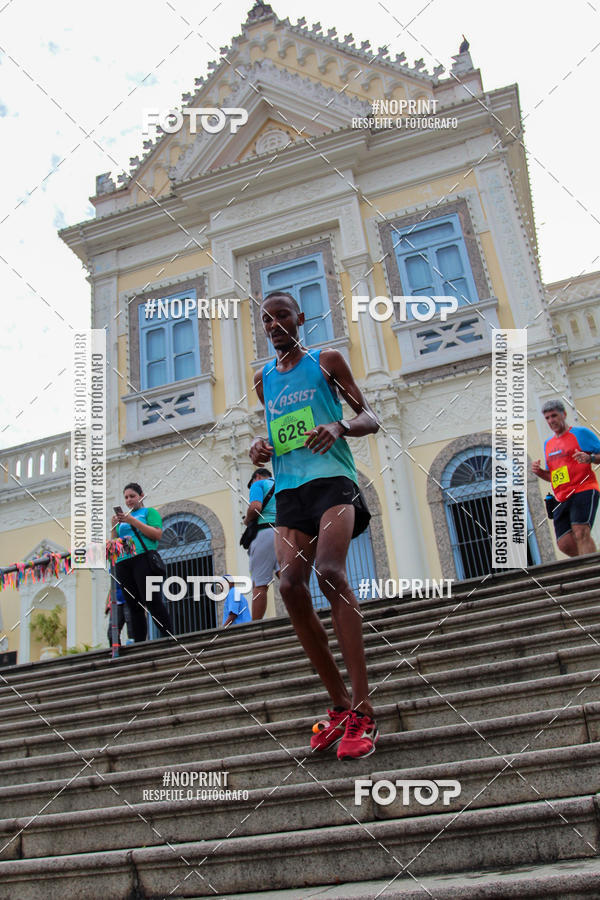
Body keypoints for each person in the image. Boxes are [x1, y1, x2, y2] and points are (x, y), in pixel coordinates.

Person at [249, 290, 380, 760]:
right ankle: (340, 707)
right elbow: (278, 433)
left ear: (299, 319)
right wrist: (261, 448)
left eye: (282, 316)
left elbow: (370, 417)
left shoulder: (326, 360)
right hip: (290, 493)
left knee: (331, 571)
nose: (275, 324)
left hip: (333, 483)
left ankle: (364, 711)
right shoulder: (264, 380)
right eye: (267, 319)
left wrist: (339, 427)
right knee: (288, 586)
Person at [532, 399, 600, 557]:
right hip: (562, 496)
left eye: (554, 416)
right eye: (547, 418)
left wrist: (589, 458)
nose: (551, 420)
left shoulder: (580, 433)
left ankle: (590, 573)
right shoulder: (548, 444)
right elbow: (553, 476)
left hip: (584, 488)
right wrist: (540, 472)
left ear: (564, 414)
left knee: (580, 531)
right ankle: (591, 563)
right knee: (564, 543)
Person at [111, 483, 174, 642]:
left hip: (143, 559)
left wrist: (133, 521)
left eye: (132, 496)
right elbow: (114, 544)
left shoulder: (148, 512)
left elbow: (157, 534)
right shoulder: (123, 520)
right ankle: (140, 642)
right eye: (126, 497)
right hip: (124, 561)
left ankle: (169, 636)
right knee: (133, 605)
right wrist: (113, 527)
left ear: (141, 496)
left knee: (153, 600)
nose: (129, 500)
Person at [243, 467, 279, 619]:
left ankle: (255, 626)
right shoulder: (281, 483)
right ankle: (300, 616)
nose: (251, 487)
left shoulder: (259, 484)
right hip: (284, 531)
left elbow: (256, 507)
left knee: (260, 585)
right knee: (288, 578)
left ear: (256, 477)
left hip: (265, 532)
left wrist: (247, 519)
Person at [105, 582, 133, 647]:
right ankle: (116, 651)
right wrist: (109, 601)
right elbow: (113, 583)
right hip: (116, 601)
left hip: (129, 599)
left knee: (132, 630)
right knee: (111, 634)